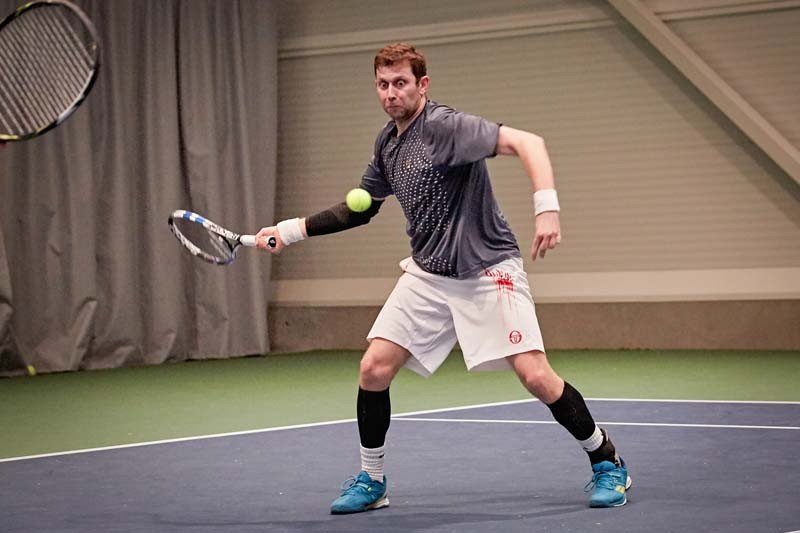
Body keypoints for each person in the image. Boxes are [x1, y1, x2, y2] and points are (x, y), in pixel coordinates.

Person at [255, 43, 631, 514]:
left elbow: (529, 143)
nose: (391, 93)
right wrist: (290, 231)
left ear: (423, 85)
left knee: (535, 375)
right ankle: (373, 480)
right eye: (382, 84)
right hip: (430, 271)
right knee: (374, 368)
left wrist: (547, 209)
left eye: (400, 83)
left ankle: (607, 460)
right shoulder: (388, 145)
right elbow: (361, 209)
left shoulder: (446, 127)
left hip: (488, 267)